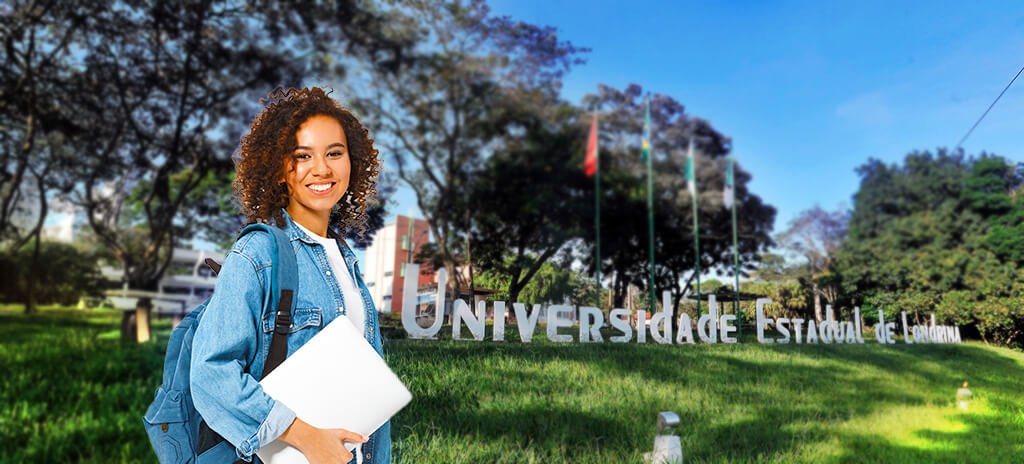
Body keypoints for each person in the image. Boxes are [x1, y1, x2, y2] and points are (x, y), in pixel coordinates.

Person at [190, 86, 390, 464]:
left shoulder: (345, 261)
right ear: (281, 168)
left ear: (352, 162)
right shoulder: (258, 254)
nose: (322, 169)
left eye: (335, 153)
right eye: (303, 156)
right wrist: (303, 436)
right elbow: (210, 374)